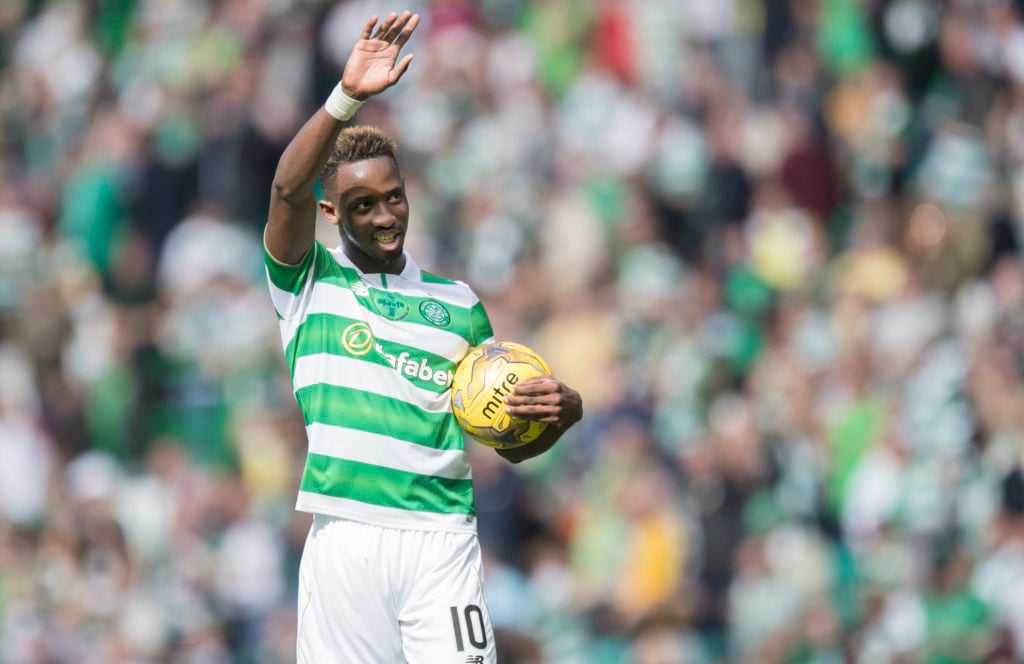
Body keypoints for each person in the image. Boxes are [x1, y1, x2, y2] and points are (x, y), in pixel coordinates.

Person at [262, 11, 583, 663]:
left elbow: (507, 441)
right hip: (344, 539)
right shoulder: (307, 282)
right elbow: (286, 186)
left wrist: (562, 412)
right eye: (361, 205)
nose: (385, 217)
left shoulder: (459, 305)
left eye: (394, 198)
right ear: (331, 212)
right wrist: (345, 97)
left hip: (441, 540)